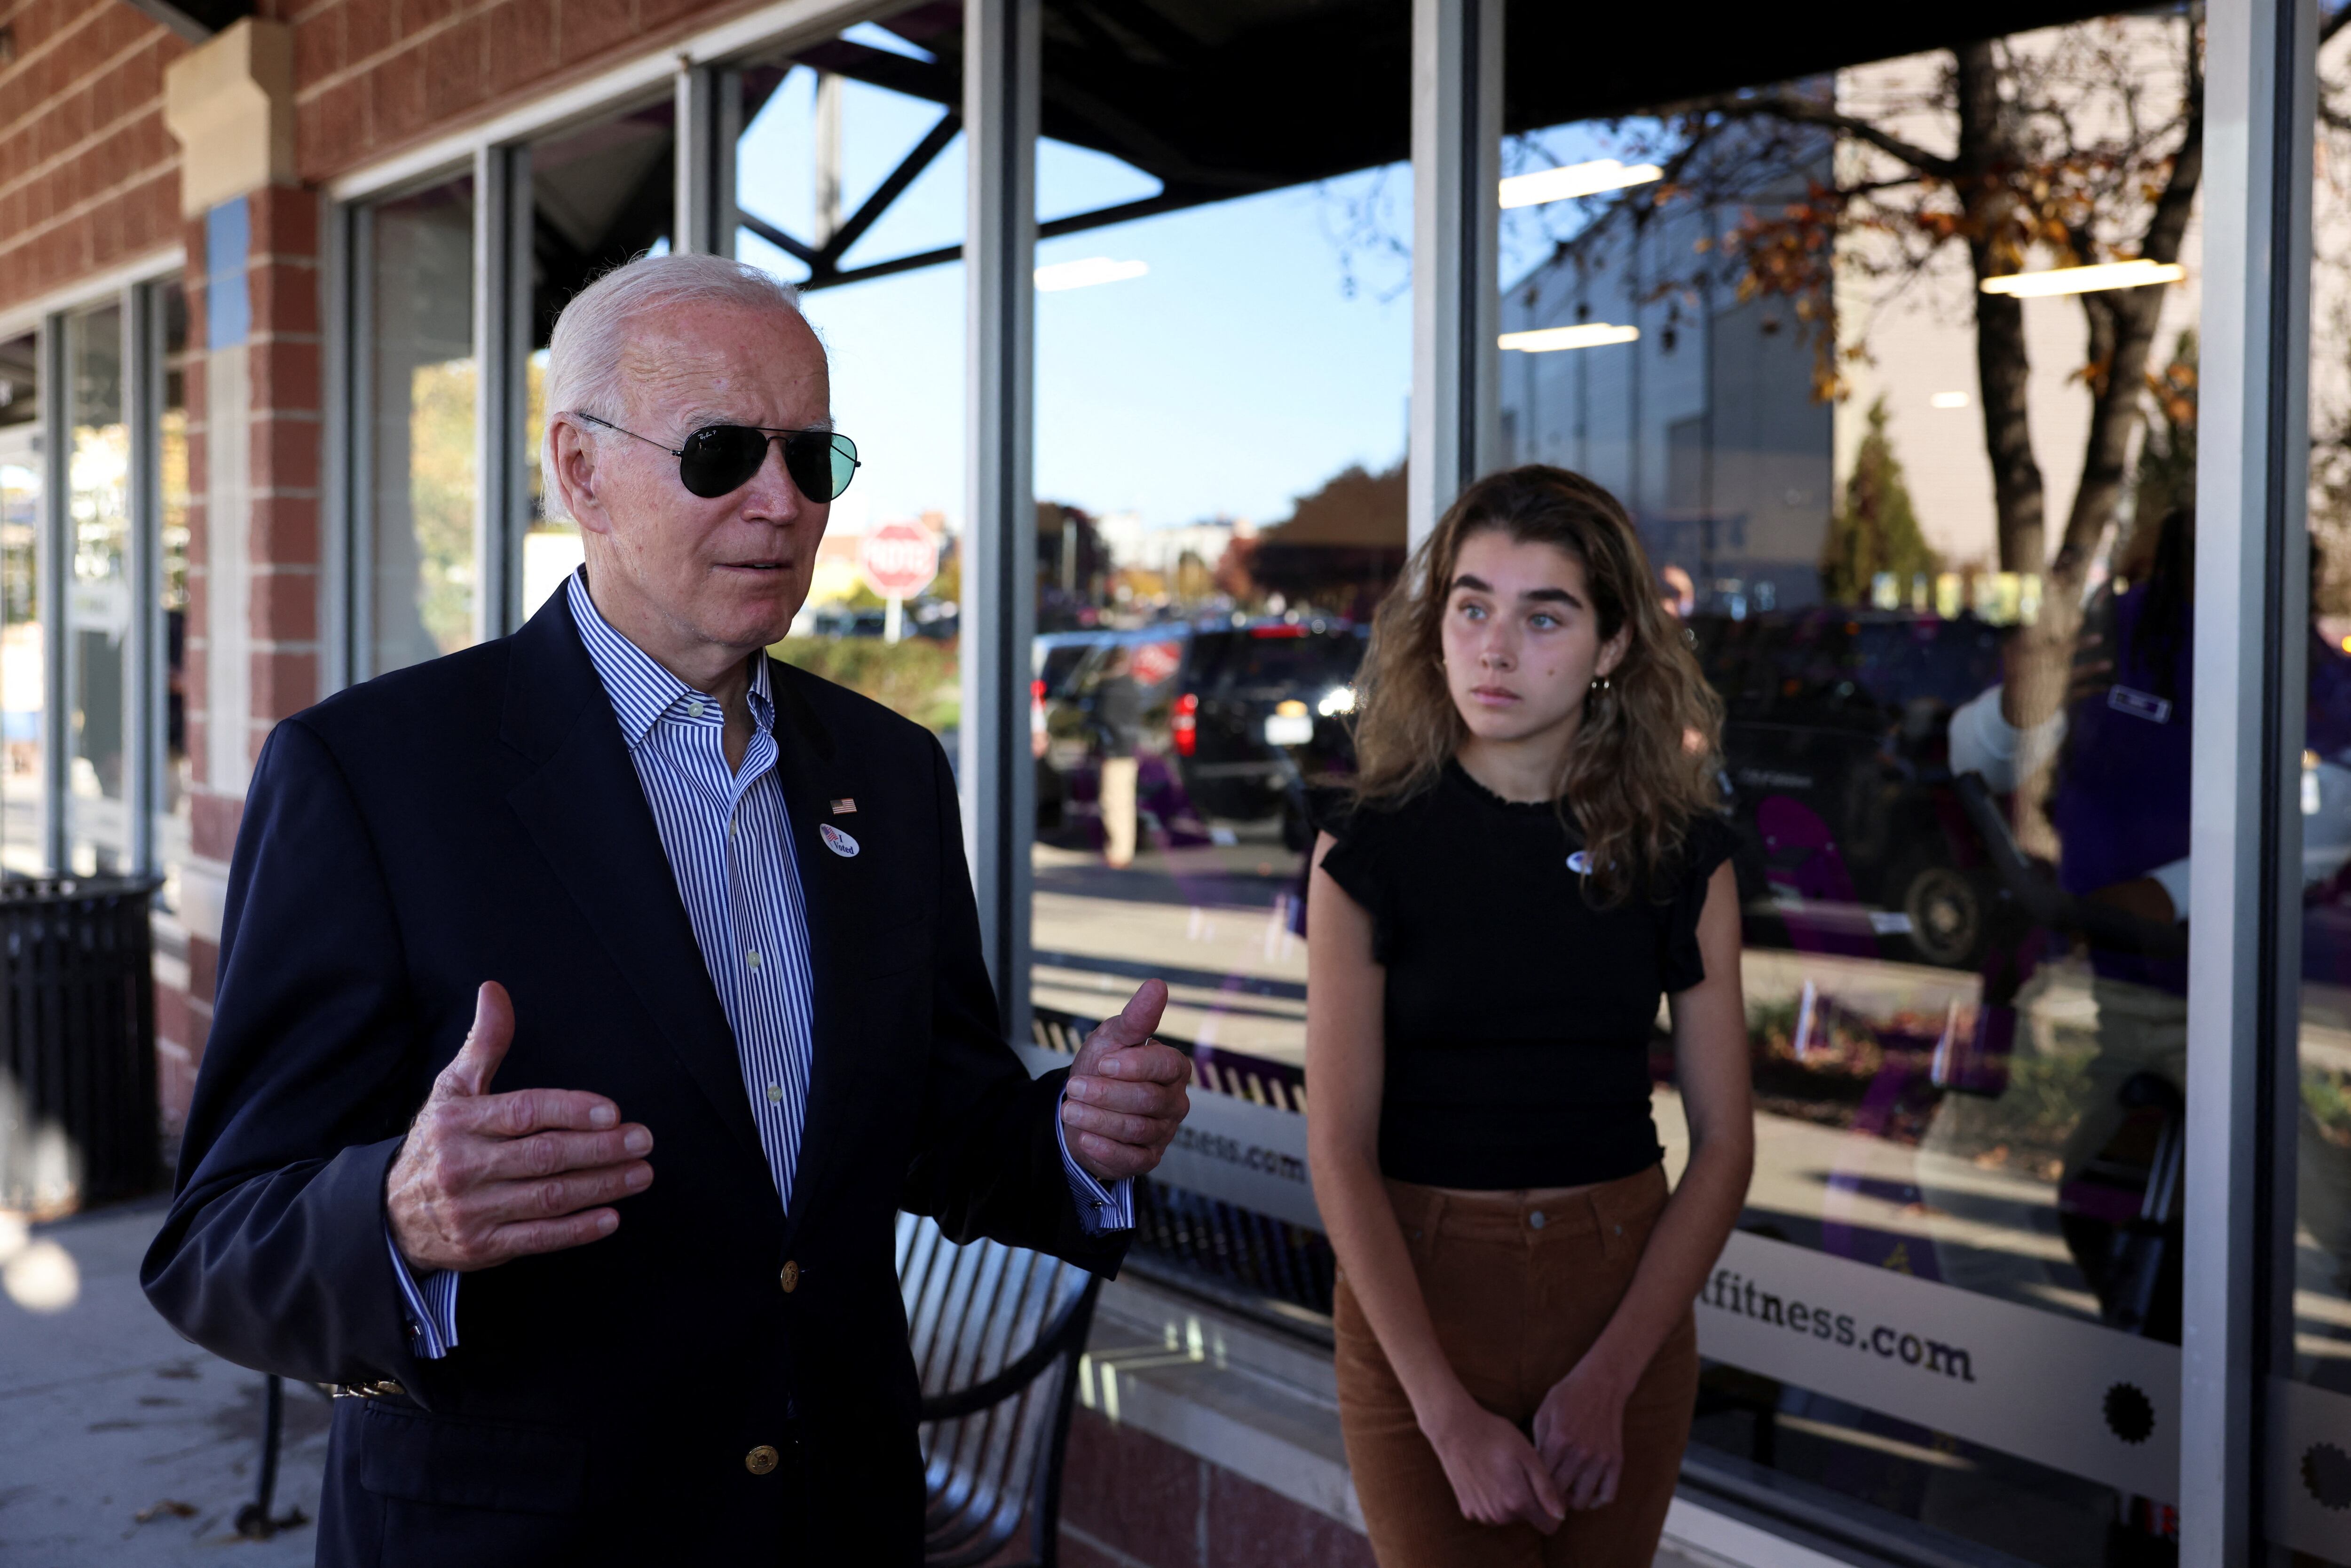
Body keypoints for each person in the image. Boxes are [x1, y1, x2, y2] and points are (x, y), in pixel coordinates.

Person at [139, 253, 1192, 1567]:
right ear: (580, 471)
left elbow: (941, 1127)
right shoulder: (373, 777)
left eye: (812, 460)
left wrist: (1073, 1137)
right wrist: (400, 1220)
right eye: (720, 453)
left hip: (835, 1527)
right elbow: (218, 1243)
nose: (780, 503)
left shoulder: (890, 776)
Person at [1306, 466, 1754, 1566]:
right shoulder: (1366, 849)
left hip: (1620, 1296)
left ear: (1610, 648)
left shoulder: (1677, 852)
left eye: (1542, 615)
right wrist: (1444, 1416)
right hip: (1416, 1295)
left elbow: (1728, 1145)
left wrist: (1608, 1380)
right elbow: (1337, 1150)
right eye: (1471, 607)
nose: (1494, 648)